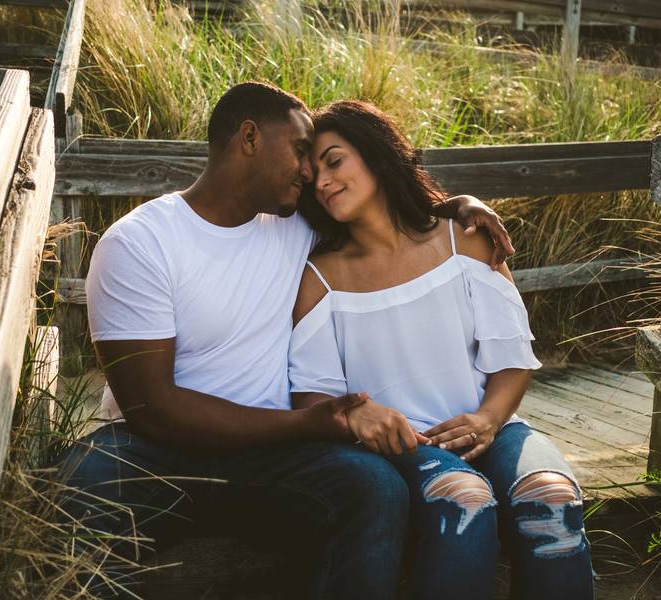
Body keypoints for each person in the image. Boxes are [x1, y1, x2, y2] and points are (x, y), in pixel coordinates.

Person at [57, 82, 514, 598]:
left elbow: (385, 210)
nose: (310, 173)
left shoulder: (295, 223)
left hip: (275, 456)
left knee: (375, 488)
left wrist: (458, 207)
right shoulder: (140, 243)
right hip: (160, 454)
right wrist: (309, 421)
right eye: (300, 150)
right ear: (249, 137)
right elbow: (152, 410)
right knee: (81, 479)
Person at [289, 100, 594, 600]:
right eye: (313, 172)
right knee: (465, 500)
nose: (322, 181)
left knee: (552, 497)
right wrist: (364, 415)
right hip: (407, 446)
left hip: (493, 427)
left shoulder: (466, 241)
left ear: (375, 155)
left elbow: (512, 360)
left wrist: (489, 419)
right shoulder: (320, 279)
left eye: (335, 160)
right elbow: (311, 399)